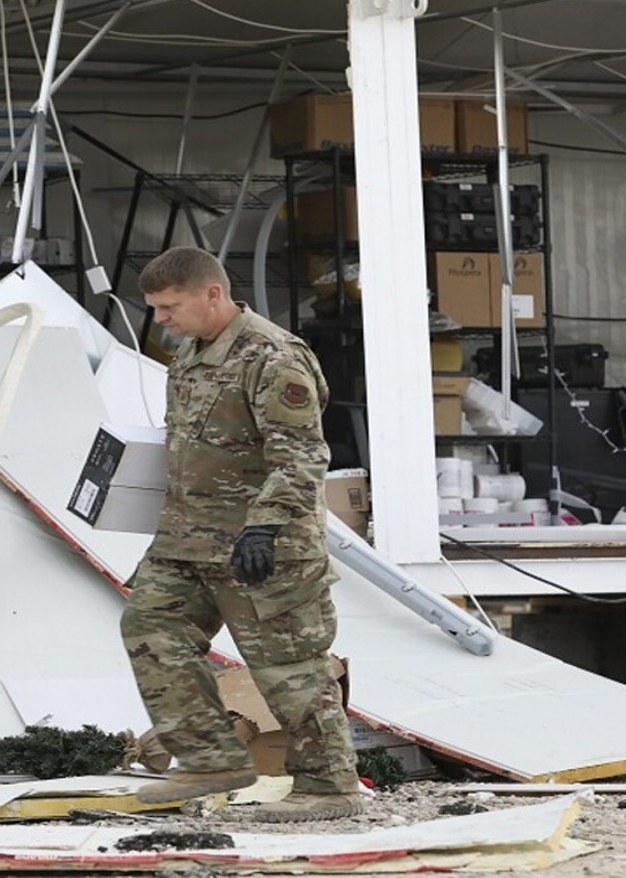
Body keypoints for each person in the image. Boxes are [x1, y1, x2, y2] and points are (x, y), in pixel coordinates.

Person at [121, 246, 360, 822]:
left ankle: (330, 788)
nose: (161, 320)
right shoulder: (189, 353)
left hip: (263, 543)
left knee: (288, 664)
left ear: (212, 294)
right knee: (151, 627)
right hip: (188, 539)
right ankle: (210, 758)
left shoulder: (272, 357)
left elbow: (301, 456)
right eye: (154, 309)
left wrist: (265, 529)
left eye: (169, 307)